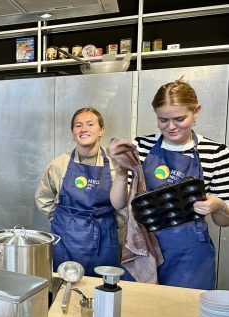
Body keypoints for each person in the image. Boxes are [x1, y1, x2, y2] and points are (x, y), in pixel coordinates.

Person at [109, 79, 229, 290]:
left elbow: (223, 221)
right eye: (163, 119)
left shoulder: (217, 153)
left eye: (180, 118)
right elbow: (118, 203)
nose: (171, 126)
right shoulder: (142, 147)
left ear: (196, 111)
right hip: (144, 248)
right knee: (141, 316)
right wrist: (120, 172)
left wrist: (219, 206)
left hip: (191, 258)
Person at [35, 108, 120, 277]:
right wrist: (60, 219)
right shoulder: (60, 164)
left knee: (102, 289)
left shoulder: (115, 165)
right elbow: (43, 197)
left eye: (90, 124)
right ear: (73, 132)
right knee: (64, 286)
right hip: (66, 238)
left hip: (104, 238)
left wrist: (111, 223)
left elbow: (124, 204)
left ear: (101, 130)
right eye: (78, 125)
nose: (83, 129)